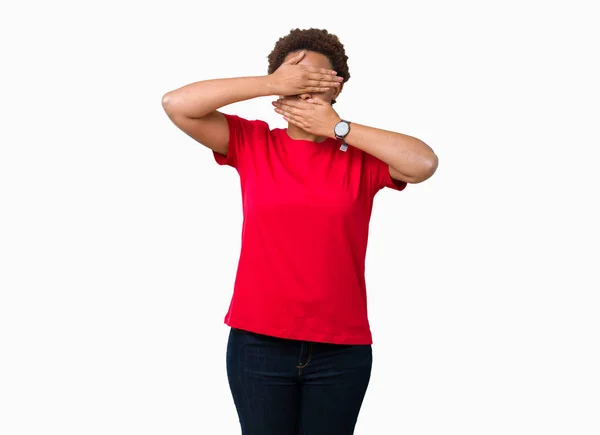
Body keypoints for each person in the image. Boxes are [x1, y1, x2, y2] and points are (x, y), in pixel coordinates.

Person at [162, 28, 438, 435]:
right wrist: (269, 83)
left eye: (316, 81)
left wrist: (338, 128)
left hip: (341, 346)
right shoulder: (253, 142)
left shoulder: (361, 156)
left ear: (336, 89)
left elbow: (423, 164)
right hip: (258, 343)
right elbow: (177, 104)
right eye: (296, 80)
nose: (305, 90)